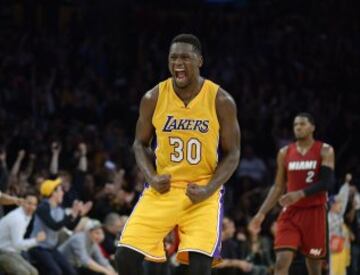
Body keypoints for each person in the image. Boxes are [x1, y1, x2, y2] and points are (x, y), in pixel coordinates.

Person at [116, 33, 241, 275]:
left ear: (200, 61)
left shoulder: (221, 100)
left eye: (185, 58)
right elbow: (139, 144)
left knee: (199, 268)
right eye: (173, 58)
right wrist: (151, 177)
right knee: (124, 259)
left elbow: (233, 153)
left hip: (202, 192)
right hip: (163, 188)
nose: (178, 64)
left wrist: (209, 188)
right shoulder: (153, 97)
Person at [249, 113, 335, 275]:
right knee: (281, 262)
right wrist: (261, 214)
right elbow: (278, 187)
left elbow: (327, 183)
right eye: (295, 125)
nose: (298, 127)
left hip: (314, 213)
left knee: (315, 269)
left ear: (312, 127)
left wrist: (300, 193)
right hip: (291, 214)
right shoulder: (285, 152)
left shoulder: (325, 150)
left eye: (302, 124)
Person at [29, 178, 92, 275]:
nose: (63, 192)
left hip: (51, 248)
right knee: (56, 272)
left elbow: (70, 227)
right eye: (60, 190)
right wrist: (71, 215)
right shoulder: (43, 207)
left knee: (72, 272)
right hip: (38, 247)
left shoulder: (59, 208)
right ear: (53, 193)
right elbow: (54, 226)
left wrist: (79, 215)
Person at [0, 190, 46, 275]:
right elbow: (18, 245)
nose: (32, 207)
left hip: (10, 251)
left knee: (34, 272)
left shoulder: (27, 215)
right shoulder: (18, 218)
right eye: (29, 203)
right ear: (22, 203)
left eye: (34, 205)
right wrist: (36, 240)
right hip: (2, 252)